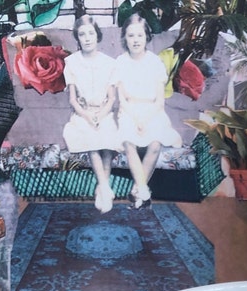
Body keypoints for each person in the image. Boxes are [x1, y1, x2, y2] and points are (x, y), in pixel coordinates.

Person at [115, 13, 182, 209]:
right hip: (129, 111)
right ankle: (144, 193)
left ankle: (137, 189)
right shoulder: (120, 62)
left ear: (147, 37)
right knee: (129, 143)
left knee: (154, 144)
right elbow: (122, 100)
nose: (135, 40)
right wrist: (136, 119)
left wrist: (146, 118)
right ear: (125, 38)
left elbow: (160, 101)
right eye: (131, 36)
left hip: (153, 110)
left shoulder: (154, 62)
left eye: (139, 36)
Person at [62, 15, 120, 214]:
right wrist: (87, 115)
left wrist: (101, 114)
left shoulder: (110, 63)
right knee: (91, 140)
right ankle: (105, 188)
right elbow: (72, 100)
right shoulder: (71, 63)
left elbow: (112, 99)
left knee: (108, 141)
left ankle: (101, 187)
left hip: (104, 112)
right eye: (82, 34)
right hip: (82, 113)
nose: (87, 38)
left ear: (98, 36)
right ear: (77, 39)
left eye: (90, 33)